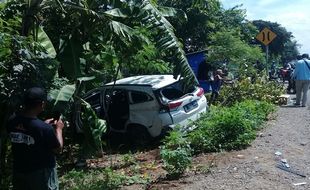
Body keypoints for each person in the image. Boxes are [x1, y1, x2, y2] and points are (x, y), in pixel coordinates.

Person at [7, 87, 64, 190]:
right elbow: (58, 149)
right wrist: (59, 130)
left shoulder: (12, 121)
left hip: (19, 171)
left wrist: (43, 124)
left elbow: (26, 130)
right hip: (41, 175)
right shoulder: (44, 129)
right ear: (41, 104)